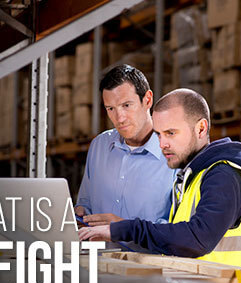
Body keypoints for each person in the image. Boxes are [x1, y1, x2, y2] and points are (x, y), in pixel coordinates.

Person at [79, 88, 241, 281]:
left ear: (201, 128)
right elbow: (177, 240)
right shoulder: (192, 176)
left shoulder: (224, 174)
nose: (162, 144)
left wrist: (124, 229)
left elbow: (197, 239)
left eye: (171, 133)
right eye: (158, 134)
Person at [75, 65, 177, 226]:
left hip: (148, 252)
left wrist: (125, 228)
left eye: (126, 105)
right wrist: (80, 214)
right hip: (99, 252)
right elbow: (85, 203)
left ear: (147, 100)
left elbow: (181, 230)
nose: (119, 118)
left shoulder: (176, 154)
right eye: (110, 108)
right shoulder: (99, 146)